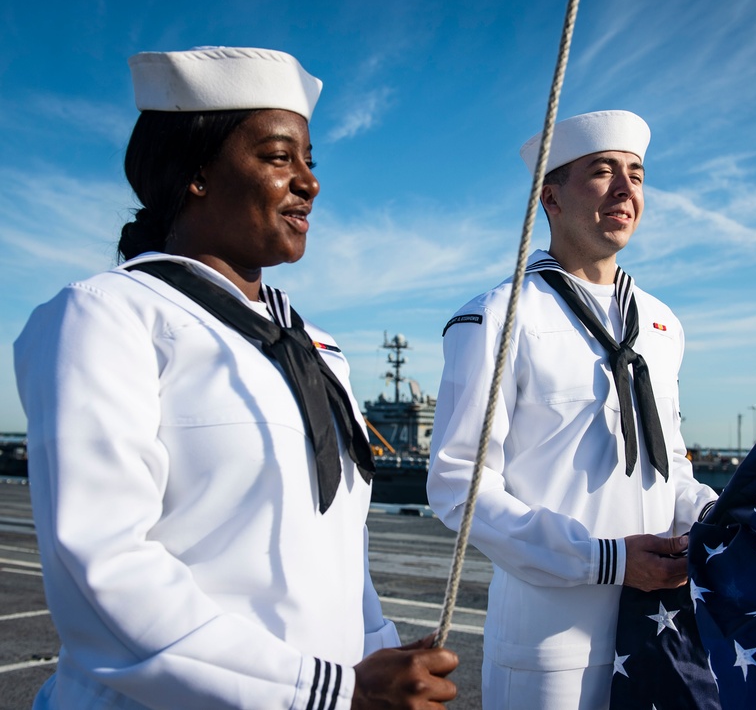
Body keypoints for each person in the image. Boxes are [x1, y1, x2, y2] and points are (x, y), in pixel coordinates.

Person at [14, 46, 457, 710]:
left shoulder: (317, 348)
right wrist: (331, 690)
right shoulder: (106, 316)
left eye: (310, 161)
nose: (308, 182)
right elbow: (101, 571)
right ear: (194, 172)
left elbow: (338, 548)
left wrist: (381, 658)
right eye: (279, 158)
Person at [426, 110, 717, 709]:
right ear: (550, 198)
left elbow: (671, 468)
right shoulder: (498, 318)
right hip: (552, 643)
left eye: (636, 174)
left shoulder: (663, 324)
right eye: (603, 171)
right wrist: (602, 560)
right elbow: (458, 484)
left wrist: (715, 519)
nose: (625, 190)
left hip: (664, 629)